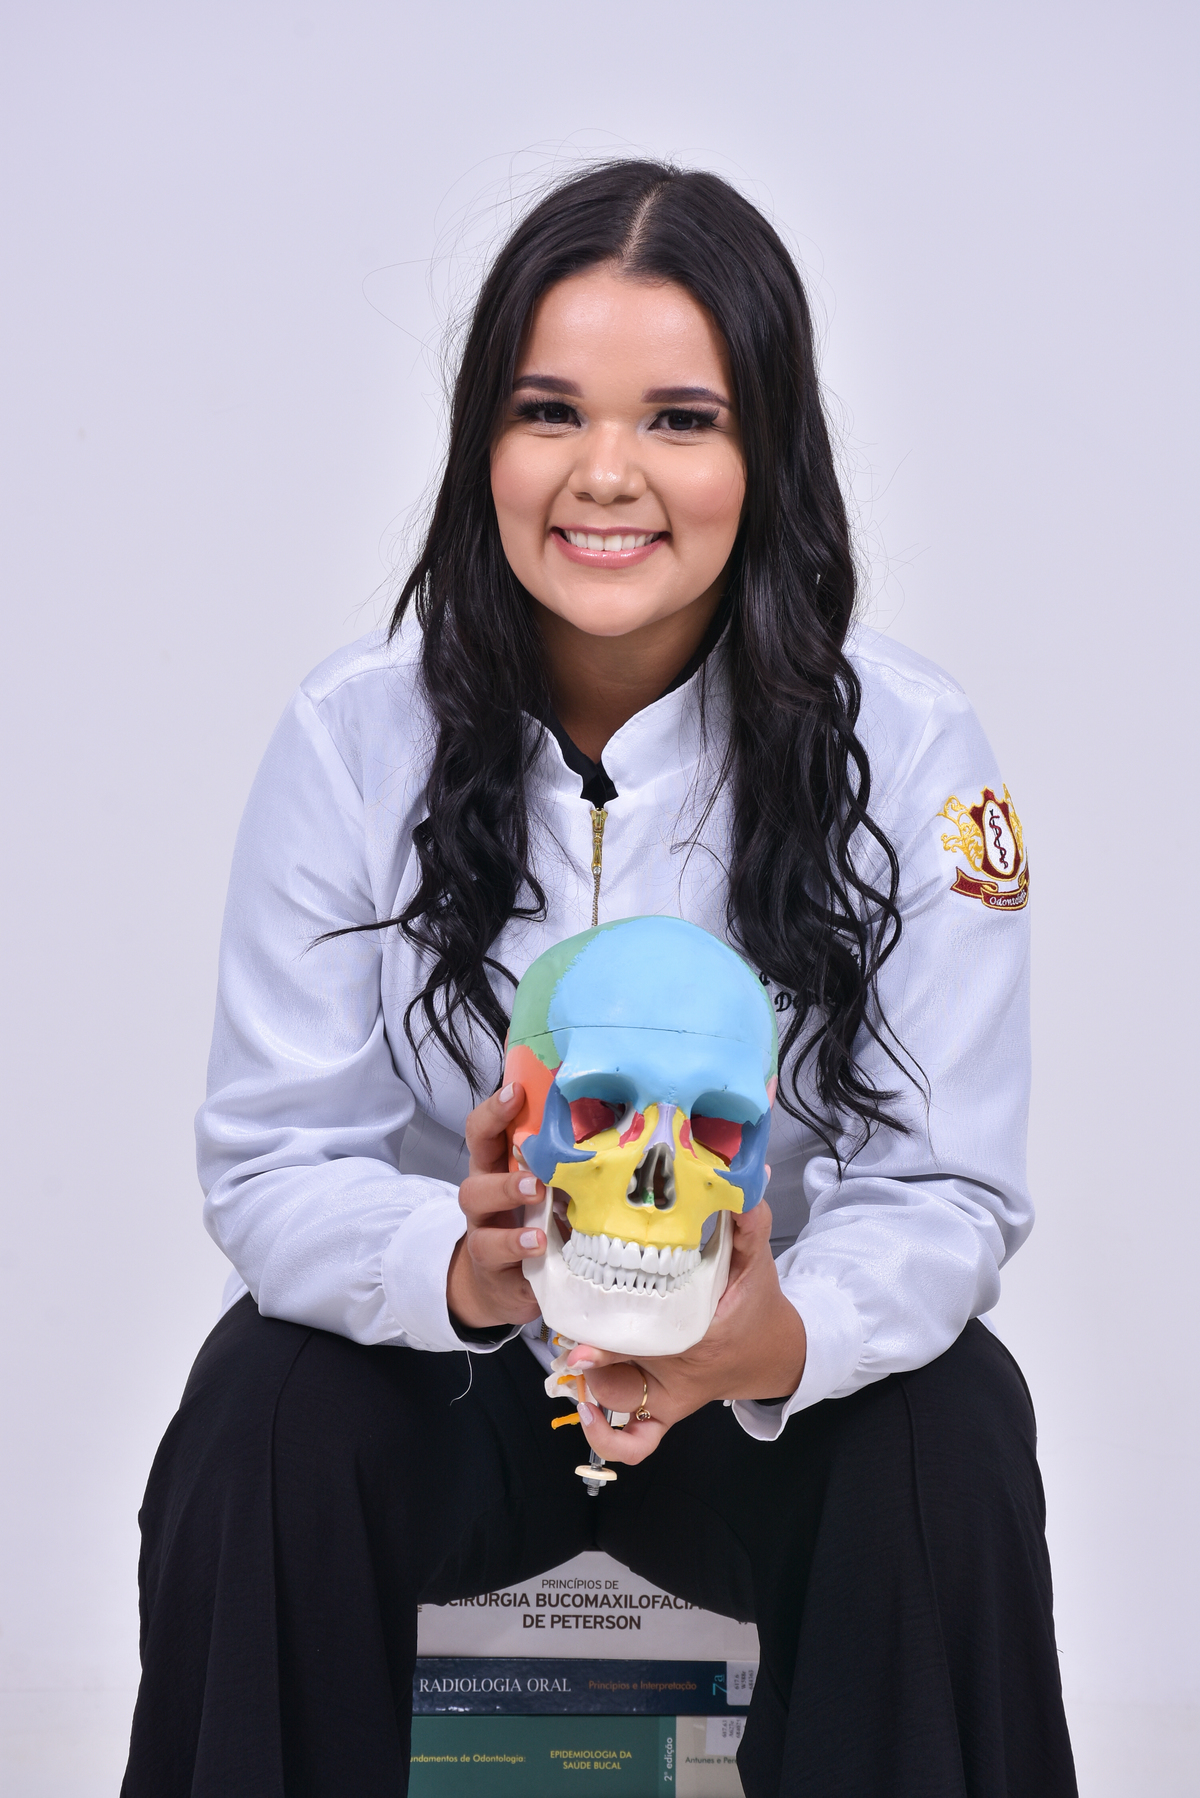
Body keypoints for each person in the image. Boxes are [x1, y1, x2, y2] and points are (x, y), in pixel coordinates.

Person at [121, 160, 1077, 1797]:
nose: (607, 473)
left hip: (766, 1371)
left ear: (767, 451)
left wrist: (774, 1334)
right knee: (260, 1410)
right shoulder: (351, 735)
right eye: (550, 411)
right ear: (483, 443)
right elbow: (275, 1158)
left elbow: (946, 1187)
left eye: (682, 419)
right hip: (458, 1367)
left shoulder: (914, 749)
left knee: (954, 1430)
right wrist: (463, 1265)